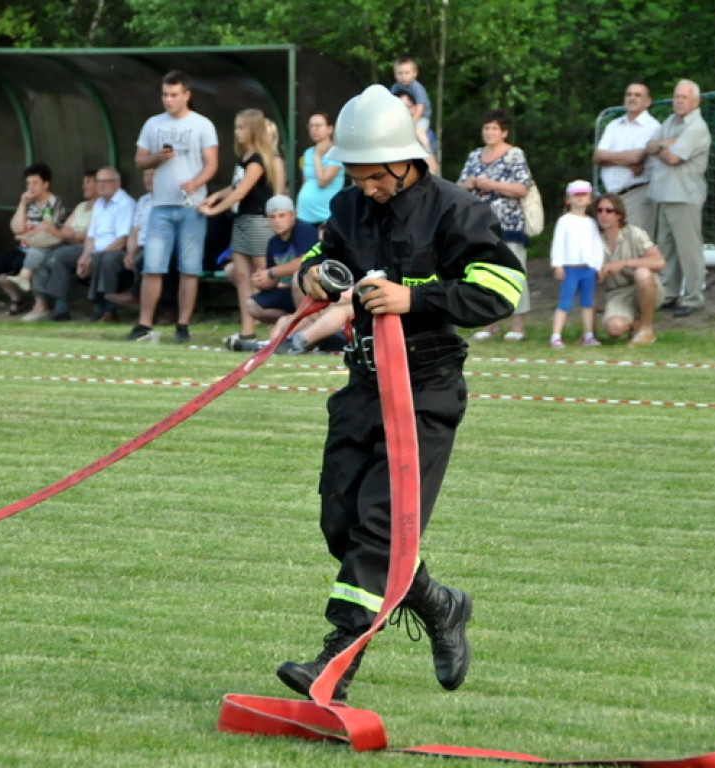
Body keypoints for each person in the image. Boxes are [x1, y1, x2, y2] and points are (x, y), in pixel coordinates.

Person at [277, 84, 526, 702]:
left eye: (374, 177)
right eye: (356, 176)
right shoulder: (349, 206)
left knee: (381, 527)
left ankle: (334, 662)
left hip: (425, 389)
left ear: (404, 157)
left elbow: (502, 287)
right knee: (342, 521)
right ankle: (440, 604)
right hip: (363, 385)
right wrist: (313, 274)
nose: (366, 187)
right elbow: (320, 257)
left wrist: (418, 298)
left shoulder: (455, 209)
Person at [128, 70, 219, 344]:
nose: (168, 100)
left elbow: (212, 164)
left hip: (192, 206)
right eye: (165, 95)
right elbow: (139, 161)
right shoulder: (153, 124)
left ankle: (183, 325)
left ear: (186, 95)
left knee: (189, 269)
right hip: (161, 205)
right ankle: (144, 324)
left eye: (174, 95)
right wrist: (156, 157)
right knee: (152, 267)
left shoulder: (202, 124)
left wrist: (196, 182)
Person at [198, 108, 279, 344]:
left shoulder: (258, 160)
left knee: (264, 278)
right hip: (241, 222)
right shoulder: (244, 157)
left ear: (253, 130)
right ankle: (247, 332)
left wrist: (214, 210)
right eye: (236, 127)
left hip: (257, 222)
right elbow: (235, 187)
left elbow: (242, 191)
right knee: (242, 278)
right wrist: (215, 196)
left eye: (241, 127)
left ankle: (275, 329)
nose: (237, 132)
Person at [456, 109, 533, 341]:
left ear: (504, 132)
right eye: (486, 128)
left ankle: (518, 325)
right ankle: (490, 324)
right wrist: (468, 184)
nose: (489, 132)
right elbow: (457, 188)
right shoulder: (474, 156)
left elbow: (522, 188)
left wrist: (491, 184)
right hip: (479, 226)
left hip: (509, 224)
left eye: (494, 128)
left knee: (516, 271)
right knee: (485, 273)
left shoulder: (515, 155)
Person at [645, 79, 711, 317]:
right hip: (665, 194)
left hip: (684, 195)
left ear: (696, 101)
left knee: (688, 249)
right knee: (666, 248)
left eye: (684, 97)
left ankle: (693, 297)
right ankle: (670, 293)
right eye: (676, 96)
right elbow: (650, 145)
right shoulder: (671, 121)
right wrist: (665, 144)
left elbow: (674, 158)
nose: (679, 101)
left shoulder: (697, 127)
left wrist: (661, 148)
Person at [42, 166, 134, 322]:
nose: (101, 185)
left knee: (102, 259)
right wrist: (84, 257)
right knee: (60, 256)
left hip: (115, 251)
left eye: (106, 182)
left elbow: (121, 241)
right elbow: (91, 237)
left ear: (118, 183)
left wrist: (92, 256)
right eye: (99, 182)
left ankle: (102, 308)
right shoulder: (99, 204)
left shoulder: (126, 203)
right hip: (94, 250)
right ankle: (61, 308)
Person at [224, 194, 318, 347]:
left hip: (309, 290)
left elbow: (304, 262)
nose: (277, 221)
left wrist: (271, 273)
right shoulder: (273, 242)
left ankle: (305, 327)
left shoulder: (304, 230)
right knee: (251, 305)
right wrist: (263, 281)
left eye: (282, 216)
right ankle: (290, 322)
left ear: (293, 215)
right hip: (287, 292)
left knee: (297, 278)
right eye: (272, 217)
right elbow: (273, 278)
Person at [0, 163, 65, 316]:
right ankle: (17, 299)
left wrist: (26, 235)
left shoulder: (54, 202)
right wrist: (22, 203)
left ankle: (40, 303)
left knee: (19, 264)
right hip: (23, 247)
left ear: (46, 184)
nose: (31, 187)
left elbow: (47, 227)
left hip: (44, 247)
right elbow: (16, 228)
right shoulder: (30, 202)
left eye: (35, 183)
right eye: (28, 183)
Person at [21, 169, 98, 322]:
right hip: (70, 245)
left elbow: (91, 234)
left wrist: (75, 234)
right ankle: (44, 304)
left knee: (56, 257)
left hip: (89, 247)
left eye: (89, 182)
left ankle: (58, 307)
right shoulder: (81, 206)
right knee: (43, 256)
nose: (84, 186)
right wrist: (75, 234)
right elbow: (65, 230)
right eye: (84, 182)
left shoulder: (102, 206)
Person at [595, 193, 666, 346]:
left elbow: (659, 262)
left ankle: (646, 329)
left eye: (608, 211)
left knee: (643, 273)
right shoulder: (593, 239)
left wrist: (625, 263)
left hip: (644, 286)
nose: (603, 215)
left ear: (619, 215)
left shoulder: (635, 233)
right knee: (614, 328)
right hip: (617, 293)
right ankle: (636, 325)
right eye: (599, 211)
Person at [592, 82, 661, 238]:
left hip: (637, 195)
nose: (632, 98)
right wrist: (628, 161)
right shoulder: (613, 125)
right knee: (611, 246)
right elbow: (597, 157)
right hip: (610, 197)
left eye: (637, 95)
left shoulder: (653, 127)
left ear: (648, 102)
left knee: (636, 245)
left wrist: (609, 158)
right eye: (629, 94)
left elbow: (636, 158)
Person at [548, 180, 604, 349]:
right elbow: (558, 243)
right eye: (576, 195)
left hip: (587, 269)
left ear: (589, 199)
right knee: (565, 303)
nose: (580, 199)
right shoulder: (564, 221)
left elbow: (597, 246)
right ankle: (556, 336)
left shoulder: (591, 223)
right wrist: (557, 264)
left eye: (584, 195)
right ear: (568, 199)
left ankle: (588, 335)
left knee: (587, 303)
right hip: (570, 268)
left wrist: (598, 266)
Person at [108, 168, 155, 308]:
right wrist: (130, 253)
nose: (148, 178)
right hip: (140, 248)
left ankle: (136, 296)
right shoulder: (143, 200)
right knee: (123, 259)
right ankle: (107, 308)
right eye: (146, 174)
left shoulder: (167, 200)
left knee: (145, 259)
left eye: (153, 174)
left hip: (156, 246)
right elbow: (135, 231)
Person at [296, 111, 345, 228]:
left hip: (325, 217)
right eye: (311, 126)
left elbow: (323, 181)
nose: (314, 129)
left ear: (329, 129)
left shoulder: (336, 153)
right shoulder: (308, 152)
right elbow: (306, 182)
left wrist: (317, 157)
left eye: (318, 126)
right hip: (303, 215)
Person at [395, 89, 439, 175]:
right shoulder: (385, 134)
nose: (403, 111)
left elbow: (433, 171)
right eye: (398, 107)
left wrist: (424, 145)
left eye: (407, 106)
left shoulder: (426, 134)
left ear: (414, 109)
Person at [390, 55, 432, 135]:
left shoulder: (417, 88)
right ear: (395, 75)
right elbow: (391, 105)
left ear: (414, 73)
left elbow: (420, 108)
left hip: (420, 117)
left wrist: (412, 122)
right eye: (400, 73)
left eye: (407, 73)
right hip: (403, 117)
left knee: (419, 132)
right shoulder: (395, 87)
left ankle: (426, 147)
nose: (403, 76)